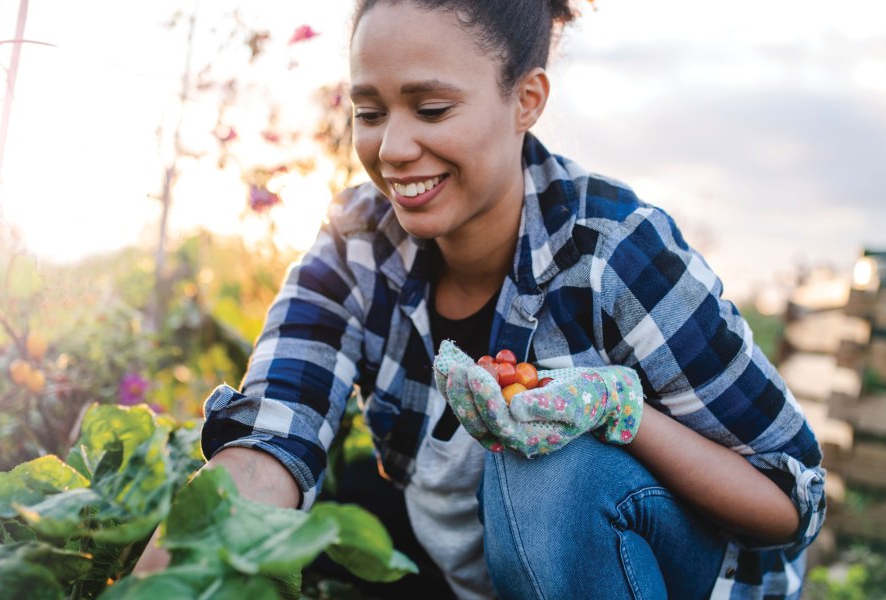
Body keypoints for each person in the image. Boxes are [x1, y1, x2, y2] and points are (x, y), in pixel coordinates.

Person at [136, 0, 827, 598]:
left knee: (547, 476)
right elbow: (271, 439)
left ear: (526, 100)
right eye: (370, 112)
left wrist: (621, 409)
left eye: (431, 108)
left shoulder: (614, 253)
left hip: (667, 572)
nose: (394, 147)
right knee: (357, 500)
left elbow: (786, 500)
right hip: (476, 569)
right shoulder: (355, 246)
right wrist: (172, 578)